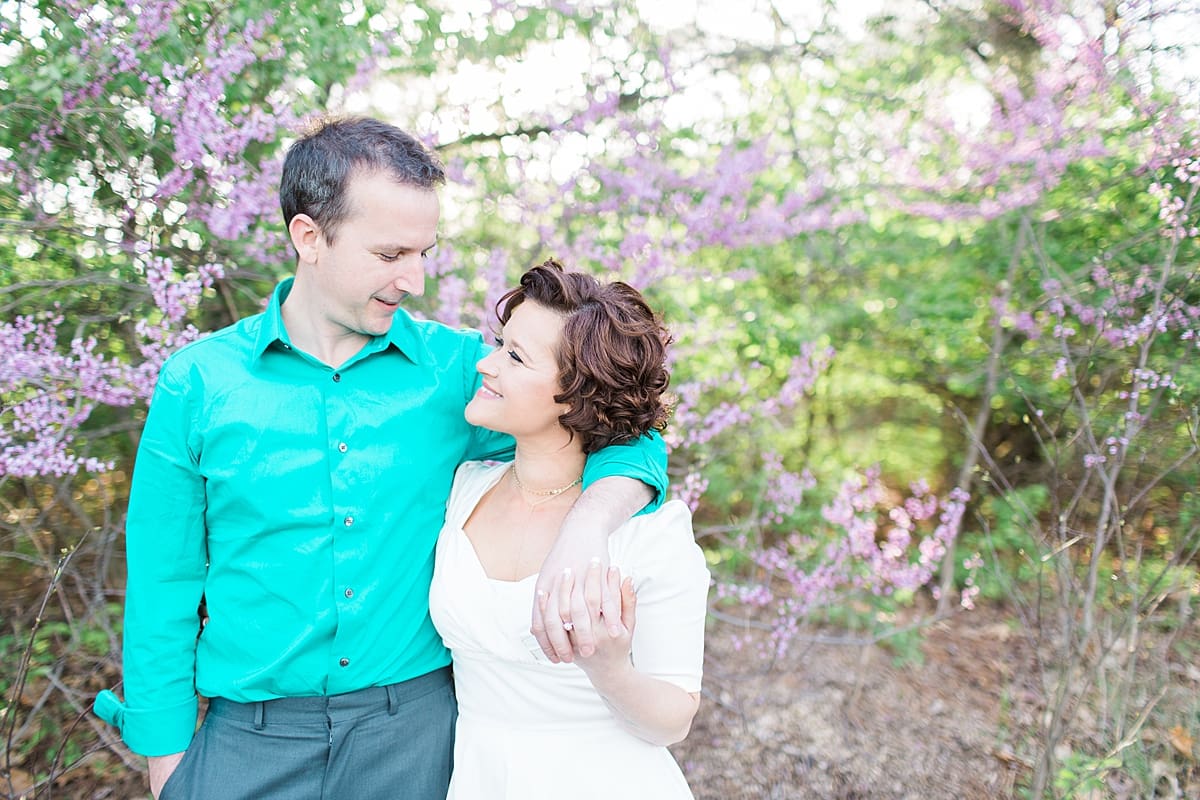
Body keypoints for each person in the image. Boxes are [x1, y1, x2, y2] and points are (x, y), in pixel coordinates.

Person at [93, 117, 667, 800]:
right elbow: (164, 584)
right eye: (392, 253)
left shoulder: (460, 373)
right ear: (309, 237)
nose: (416, 279)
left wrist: (589, 525)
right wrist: (167, 765)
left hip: (416, 740)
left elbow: (622, 427)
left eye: (424, 252)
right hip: (248, 742)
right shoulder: (198, 384)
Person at [430, 260, 709, 799]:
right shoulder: (464, 488)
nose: (486, 364)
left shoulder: (649, 535)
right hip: (477, 777)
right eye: (499, 344)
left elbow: (673, 721)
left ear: (576, 395)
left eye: (515, 357)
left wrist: (610, 671)